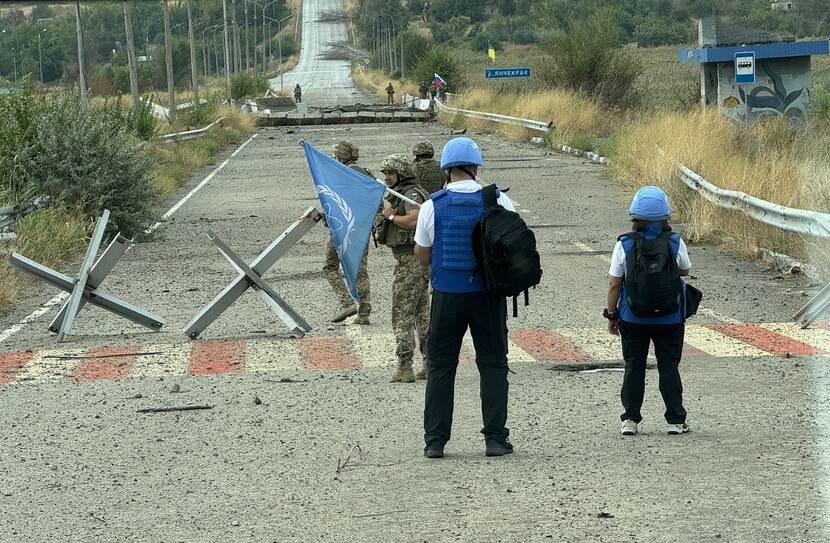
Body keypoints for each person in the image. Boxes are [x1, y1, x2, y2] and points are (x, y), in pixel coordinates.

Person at [414, 137, 515, 459]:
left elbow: (423, 254)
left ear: (446, 168)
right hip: (488, 296)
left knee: (441, 367)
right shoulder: (499, 200)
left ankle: (435, 442)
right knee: (493, 365)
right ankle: (495, 440)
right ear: (475, 166)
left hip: (447, 296)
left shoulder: (432, 205)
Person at [605, 186, 692, 436]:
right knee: (669, 366)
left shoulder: (624, 244)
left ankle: (630, 420)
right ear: (665, 215)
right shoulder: (674, 241)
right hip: (670, 317)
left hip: (633, 317)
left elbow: (614, 283)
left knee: (634, 365)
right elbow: (684, 270)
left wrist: (612, 315)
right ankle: (676, 420)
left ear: (635, 216)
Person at [375, 154, 430, 383]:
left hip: (410, 260)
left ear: (402, 173)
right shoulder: (403, 192)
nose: (387, 178)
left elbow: (414, 220)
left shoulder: (410, 194)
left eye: (391, 173)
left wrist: (391, 217)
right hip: (415, 261)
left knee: (401, 314)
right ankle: (430, 363)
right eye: (385, 174)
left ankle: (405, 365)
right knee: (421, 313)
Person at [324, 141, 372, 324]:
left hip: (341, 228)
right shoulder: (366, 173)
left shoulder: (341, 174)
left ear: (340, 156)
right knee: (360, 269)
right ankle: (364, 313)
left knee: (330, 266)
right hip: (362, 228)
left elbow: (334, 200)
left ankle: (346, 303)